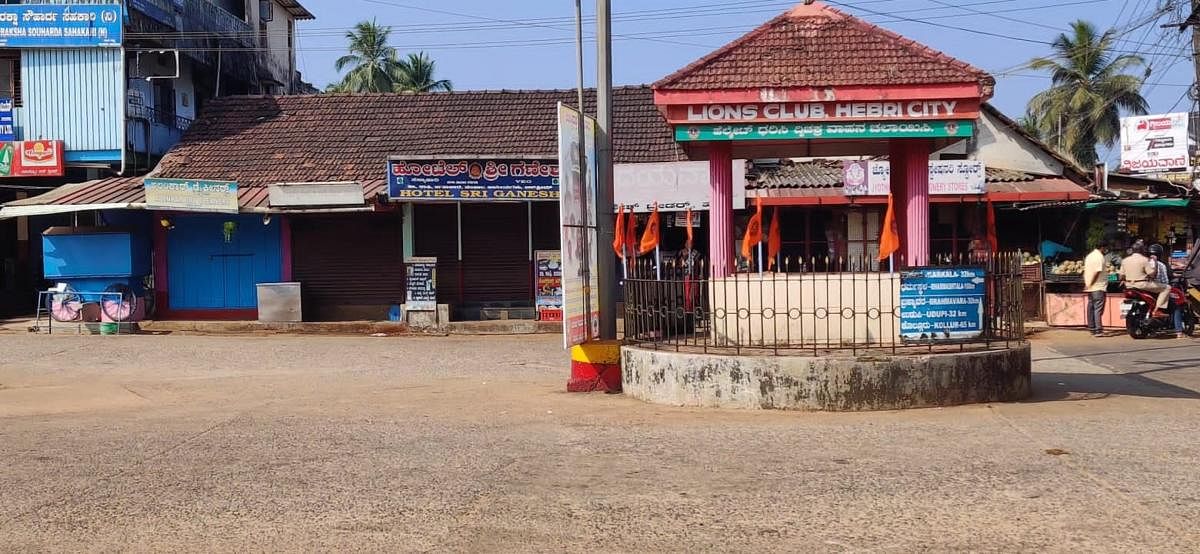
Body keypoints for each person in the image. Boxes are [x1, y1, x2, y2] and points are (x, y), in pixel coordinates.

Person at [1121, 240, 1170, 318]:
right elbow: (1152, 275)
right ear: (1141, 250)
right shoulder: (1144, 260)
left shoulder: (1125, 260)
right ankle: (1158, 310)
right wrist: (1155, 263)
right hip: (1142, 285)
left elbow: (1121, 276)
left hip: (1129, 285)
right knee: (1167, 288)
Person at [1150, 244, 1185, 338]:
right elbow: (1165, 281)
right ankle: (1179, 332)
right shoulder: (1161, 265)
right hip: (1158, 290)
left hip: (1146, 289)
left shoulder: (1145, 263)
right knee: (1175, 306)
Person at [1082, 241, 1109, 336]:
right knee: (1097, 308)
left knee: (1091, 307)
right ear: (1102, 247)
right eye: (1105, 248)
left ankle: (1092, 327)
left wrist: (1088, 284)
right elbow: (1097, 272)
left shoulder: (1089, 256)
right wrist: (1091, 283)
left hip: (1090, 286)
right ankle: (1098, 329)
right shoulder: (1099, 257)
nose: (1106, 250)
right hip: (1098, 286)